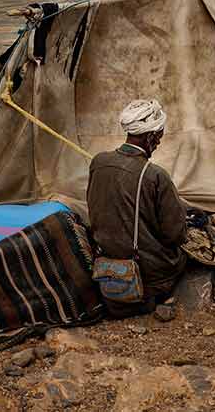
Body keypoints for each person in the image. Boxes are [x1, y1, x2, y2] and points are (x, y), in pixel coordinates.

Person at [86, 99, 188, 317]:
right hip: (146, 276)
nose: (159, 142)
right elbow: (175, 235)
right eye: (159, 136)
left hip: (107, 267)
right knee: (184, 256)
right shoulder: (155, 175)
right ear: (150, 137)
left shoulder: (98, 162)